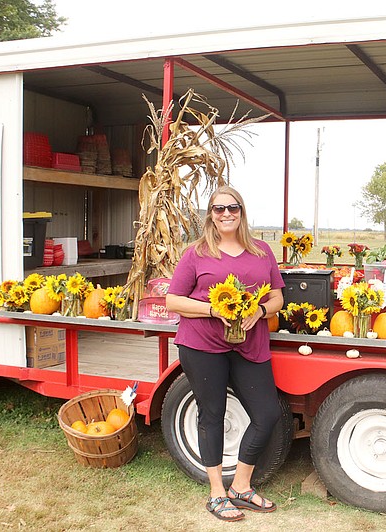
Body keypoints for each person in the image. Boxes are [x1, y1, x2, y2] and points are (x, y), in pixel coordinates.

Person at [166, 185, 285, 522]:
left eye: (233, 208)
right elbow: (173, 301)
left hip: (250, 343)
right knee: (212, 414)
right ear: (211, 215)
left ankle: (241, 487)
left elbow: (277, 298)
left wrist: (260, 312)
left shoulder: (261, 251)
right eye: (219, 209)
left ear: (242, 212)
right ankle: (217, 492)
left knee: (266, 414)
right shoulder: (197, 253)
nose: (227, 214)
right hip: (202, 345)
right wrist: (212, 310)